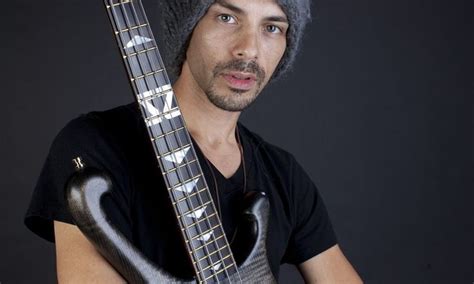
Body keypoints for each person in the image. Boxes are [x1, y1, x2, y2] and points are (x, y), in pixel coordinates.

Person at [25, 0, 362, 282]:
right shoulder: (94, 145)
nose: (249, 48)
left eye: (272, 27)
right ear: (188, 29)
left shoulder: (284, 175)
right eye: (227, 17)